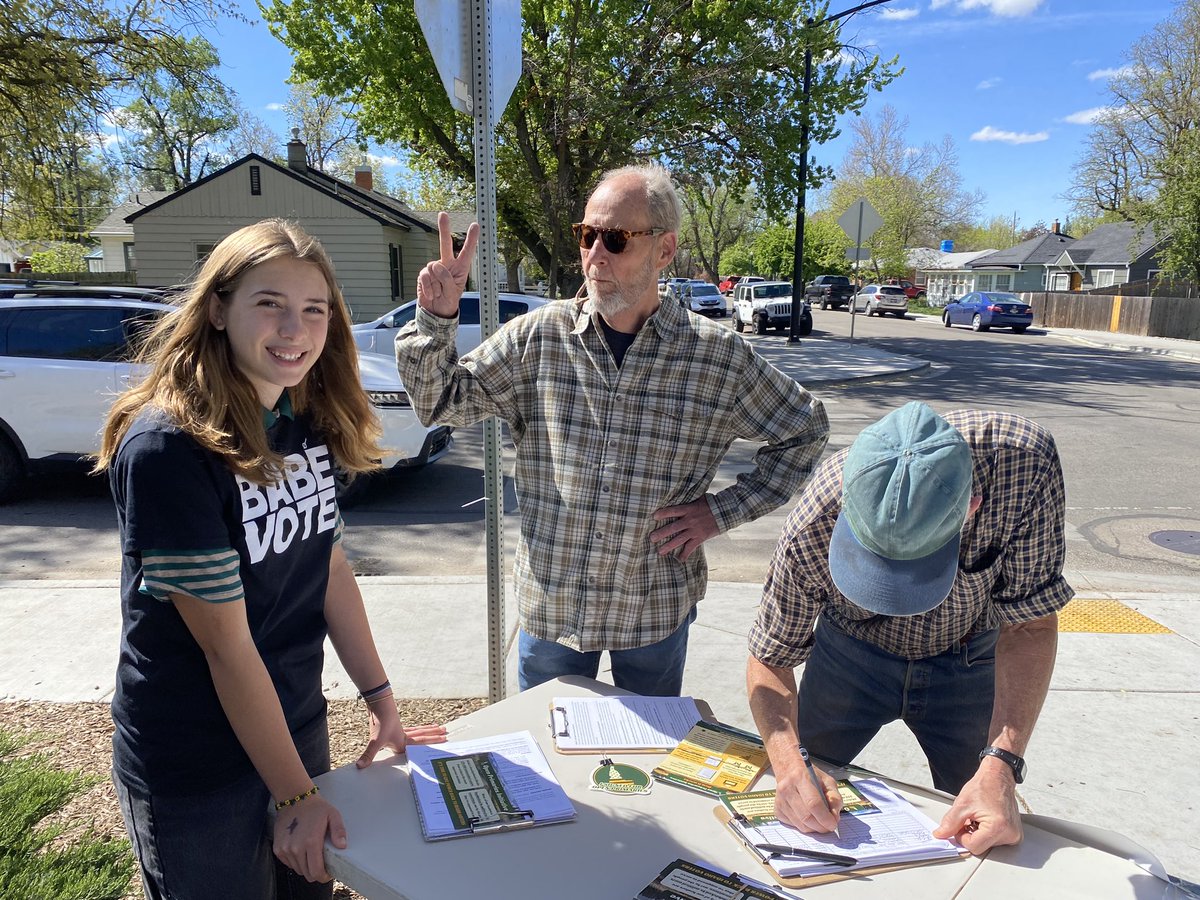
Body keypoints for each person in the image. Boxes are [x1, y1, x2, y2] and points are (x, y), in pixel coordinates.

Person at [94, 219, 447, 899]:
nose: (296, 329)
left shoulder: (302, 419)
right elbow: (227, 649)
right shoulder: (169, 448)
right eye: (270, 304)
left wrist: (382, 705)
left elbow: (330, 571)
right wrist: (293, 798)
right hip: (196, 761)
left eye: (314, 310)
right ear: (220, 308)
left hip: (292, 725)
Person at [397, 163, 829, 696]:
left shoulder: (717, 358)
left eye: (617, 239)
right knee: (547, 758)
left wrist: (718, 513)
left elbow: (805, 431)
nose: (595, 255)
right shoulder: (539, 338)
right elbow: (439, 403)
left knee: (645, 764)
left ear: (664, 251)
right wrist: (435, 320)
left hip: (652, 611)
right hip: (554, 611)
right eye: (587, 235)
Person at [746, 401, 1073, 855]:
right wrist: (788, 763)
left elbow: (1029, 626)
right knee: (801, 801)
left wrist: (1002, 763)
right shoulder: (815, 517)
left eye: (916, 571)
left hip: (969, 656)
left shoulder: (1024, 465)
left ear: (972, 507)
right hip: (849, 654)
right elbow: (771, 657)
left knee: (989, 823)